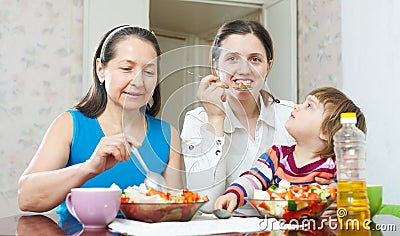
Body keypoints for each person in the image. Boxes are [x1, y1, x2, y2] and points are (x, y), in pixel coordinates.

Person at [18, 25, 183, 217]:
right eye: (127, 68)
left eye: (149, 72)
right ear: (101, 70)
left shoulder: (168, 135)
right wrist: (88, 168)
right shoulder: (70, 124)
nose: (138, 82)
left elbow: (176, 211)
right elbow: (26, 198)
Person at [181, 19, 297, 214]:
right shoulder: (198, 120)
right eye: (232, 59)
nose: (244, 70)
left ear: (268, 66)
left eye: (255, 59)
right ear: (215, 65)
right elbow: (207, 203)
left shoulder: (291, 116)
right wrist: (216, 120)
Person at [214, 87, 366, 212]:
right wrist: (234, 194)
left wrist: (340, 195)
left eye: (309, 106)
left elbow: (354, 197)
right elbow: (252, 179)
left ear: (325, 132)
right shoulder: (276, 156)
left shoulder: (334, 166)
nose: (296, 106)